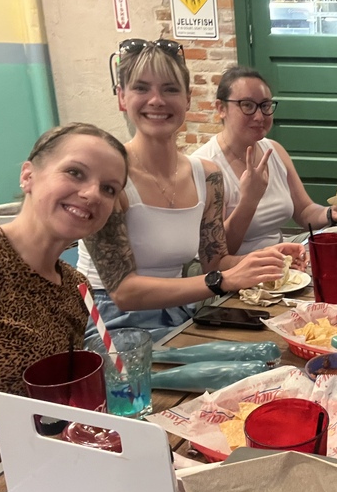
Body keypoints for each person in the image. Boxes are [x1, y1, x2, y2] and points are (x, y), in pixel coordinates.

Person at [0, 123, 129, 492]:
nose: (92, 193)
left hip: (50, 474)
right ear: (28, 175)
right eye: (75, 172)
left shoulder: (75, 286)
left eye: (109, 188)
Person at [76, 41, 304, 338]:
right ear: (122, 97)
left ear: (187, 99)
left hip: (180, 313)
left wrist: (264, 260)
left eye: (170, 89)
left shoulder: (207, 175)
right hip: (113, 322)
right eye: (142, 88)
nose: (156, 100)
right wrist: (221, 280)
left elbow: (216, 262)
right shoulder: (108, 176)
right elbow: (124, 292)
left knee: (269, 349)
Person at [193, 66, 337, 255]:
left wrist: (330, 213)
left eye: (265, 106)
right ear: (221, 108)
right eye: (247, 105)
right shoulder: (205, 166)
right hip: (239, 265)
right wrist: (248, 201)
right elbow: (217, 254)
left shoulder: (274, 150)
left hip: (280, 255)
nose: (259, 116)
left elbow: (304, 211)